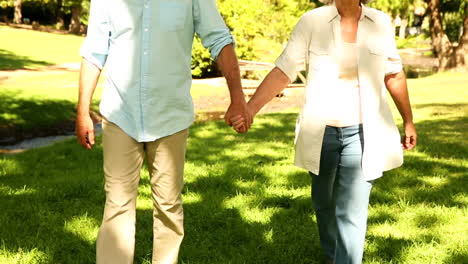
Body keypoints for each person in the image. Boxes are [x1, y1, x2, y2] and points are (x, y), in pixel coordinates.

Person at [228, 0, 417, 263]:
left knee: (352, 210)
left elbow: (394, 74)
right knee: (323, 202)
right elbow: (285, 70)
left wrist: (408, 119)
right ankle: (333, 253)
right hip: (321, 132)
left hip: (364, 133)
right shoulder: (312, 22)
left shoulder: (380, 23)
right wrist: (250, 108)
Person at [76, 0, 252, 263]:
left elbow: (219, 39)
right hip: (121, 114)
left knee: (168, 205)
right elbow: (94, 50)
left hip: (170, 116)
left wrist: (237, 97)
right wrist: (82, 110)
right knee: (117, 203)